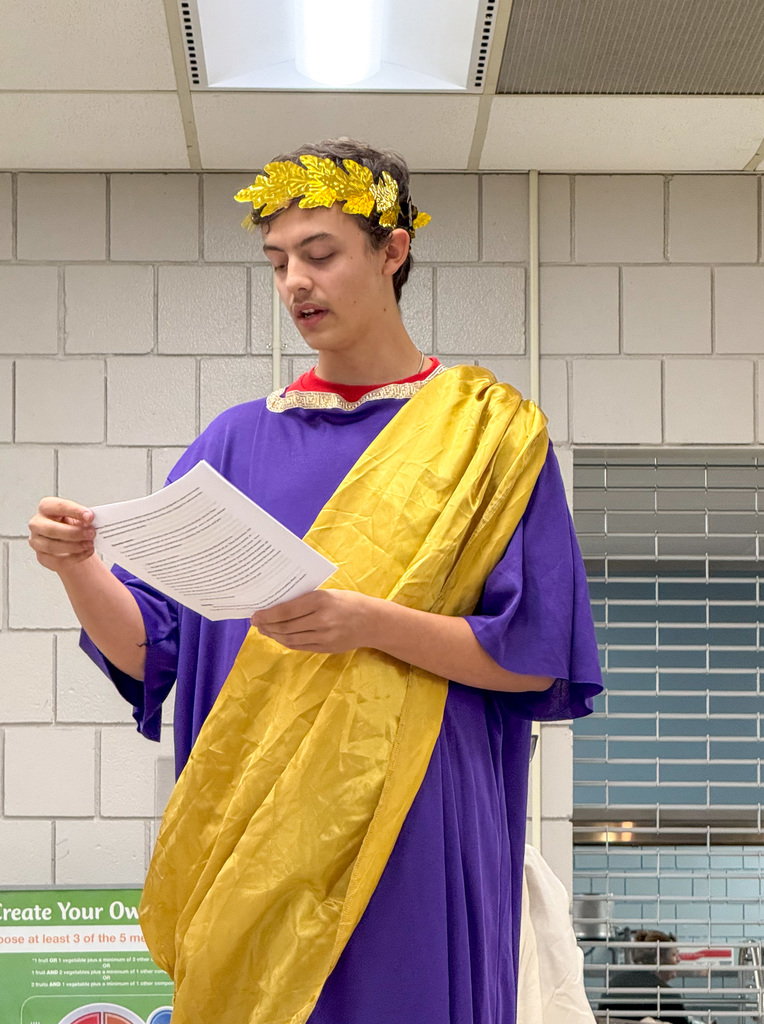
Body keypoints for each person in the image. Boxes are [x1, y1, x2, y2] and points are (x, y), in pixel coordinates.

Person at [28, 138, 603, 1024]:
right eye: (278, 261)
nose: (296, 281)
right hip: (250, 833)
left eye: (321, 254)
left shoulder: (492, 439)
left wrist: (366, 621)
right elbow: (151, 650)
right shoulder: (235, 442)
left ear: (393, 252)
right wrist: (78, 568)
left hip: (417, 822)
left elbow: (532, 662)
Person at [599, 930, 692, 1024]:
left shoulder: (614, 983)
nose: (678, 960)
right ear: (659, 959)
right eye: (674, 955)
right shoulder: (668, 997)